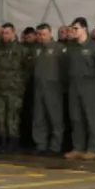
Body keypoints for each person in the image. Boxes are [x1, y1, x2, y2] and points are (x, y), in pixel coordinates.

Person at [64, 19, 95, 160]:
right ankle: (78, 147)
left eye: (76, 28)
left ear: (85, 29)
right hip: (74, 85)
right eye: (72, 29)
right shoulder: (71, 48)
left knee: (91, 118)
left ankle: (92, 149)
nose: (73, 31)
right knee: (76, 117)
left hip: (90, 85)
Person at [0, 23, 28, 153]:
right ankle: (3, 142)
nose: (5, 35)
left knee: (12, 117)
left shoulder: (21, 49)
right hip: (0, 88)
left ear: (13, 33)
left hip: (14, 89)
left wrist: (20, 82)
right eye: (3, 33)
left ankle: (13, 143)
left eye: (7, 33)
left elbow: (28, 68)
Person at [31, 23, 67, 157]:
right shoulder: (36, 49)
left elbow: (64, 68)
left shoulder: (59, 48)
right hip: (39, 87)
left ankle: (55, 146)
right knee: (39, 118)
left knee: (55, 118)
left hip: (54, 88)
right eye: (39, 35)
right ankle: (41, 144)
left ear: (51, 33)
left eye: (44, 34)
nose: (42, 37)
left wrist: (62, 86)